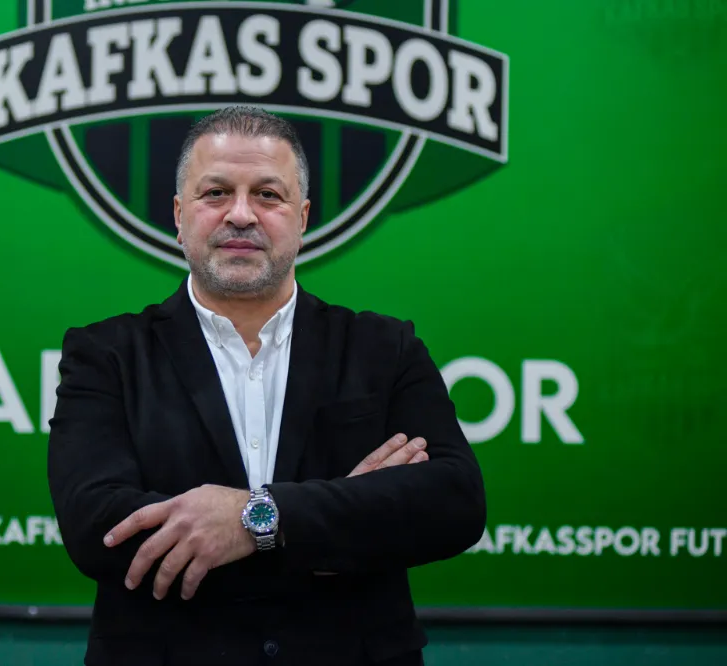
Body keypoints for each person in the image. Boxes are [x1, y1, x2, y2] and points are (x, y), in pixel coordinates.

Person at [47, 106, 486, 666]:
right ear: (179, 216)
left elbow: (454, 502)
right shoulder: (105, 356)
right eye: (215, 193)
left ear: (302, 218)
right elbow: (98, 530)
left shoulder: (385, 349)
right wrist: (342, 529)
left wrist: (256, 519)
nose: (240, 214)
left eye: (268, 195)